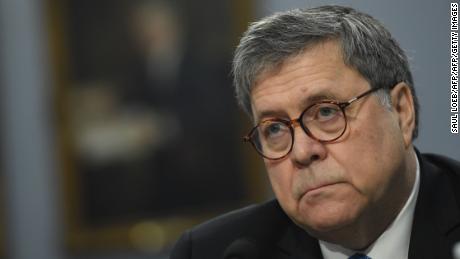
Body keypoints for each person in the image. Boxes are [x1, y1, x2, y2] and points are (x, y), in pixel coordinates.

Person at [170, 5, 460, 259]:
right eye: (275, 128)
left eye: (326, 112)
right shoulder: (213, 252)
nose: (302, 152)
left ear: (401, 111)